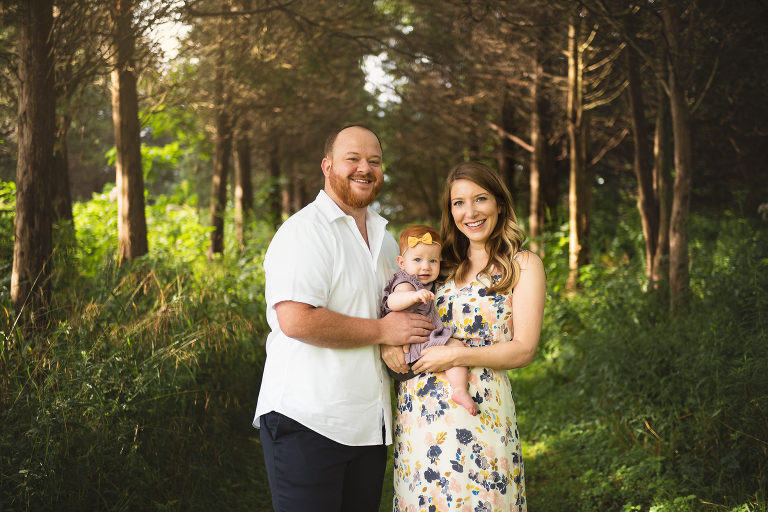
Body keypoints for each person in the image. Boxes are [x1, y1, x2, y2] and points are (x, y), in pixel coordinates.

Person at [253, 124, 435, 512]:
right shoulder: (305, 232)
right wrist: (383, 331)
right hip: (307, 420)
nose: (364, 168)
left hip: (368, 425)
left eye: (374, 161)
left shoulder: (385, 239)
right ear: (327, 166)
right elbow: (297, 320)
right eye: (352, 159)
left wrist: (393, 338)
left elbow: (389, 309)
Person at [382, 161, 546, 512]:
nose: (469, 212)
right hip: (420, 415)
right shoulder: (439, 266)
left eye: (480, 199)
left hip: (480, 410)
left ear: (499, 204)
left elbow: (523, 350)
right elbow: (399, 307)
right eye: (458, 202)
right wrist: (387, 344)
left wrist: (455, 356)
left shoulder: (523, 265)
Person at [381, 224, 477, 416]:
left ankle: (458, 390)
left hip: (418, 344)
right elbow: (393, 301)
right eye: (417, 259)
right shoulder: (406, 282)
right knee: (457, 348)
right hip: (411, 350)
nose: (426, 266)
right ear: (401, 262)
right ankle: (459, 389)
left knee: (456, 348)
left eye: (433, 261)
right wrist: (414, 297)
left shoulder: (425, 283)